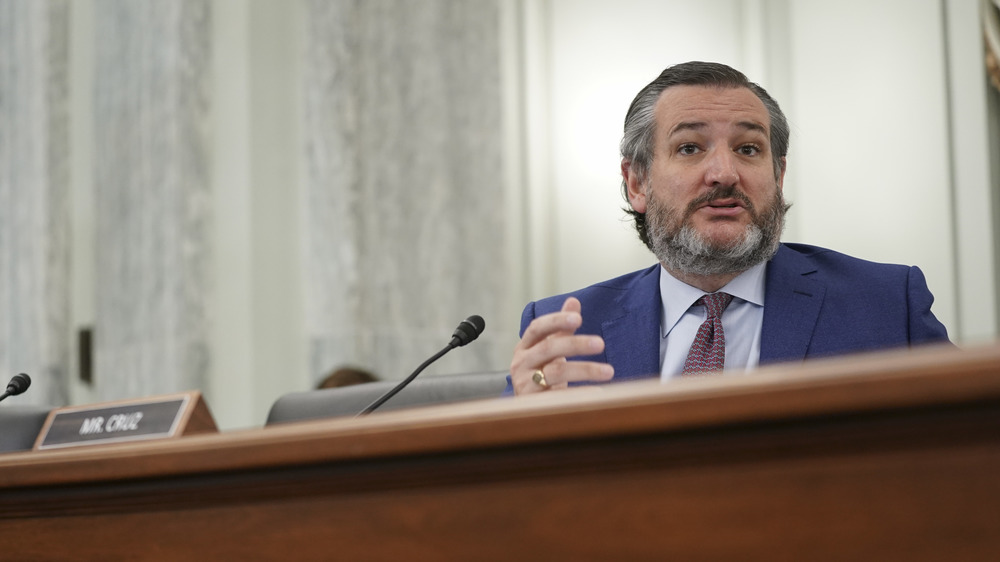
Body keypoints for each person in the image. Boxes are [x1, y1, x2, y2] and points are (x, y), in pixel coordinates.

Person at [507, 61, 950, 396]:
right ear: (636, 182)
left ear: (777, 176)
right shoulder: (566, 332)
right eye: (689, 147)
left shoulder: (887, 306)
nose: (724, 172)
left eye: (748, 148)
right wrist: (521, 434)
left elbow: (970, 462)